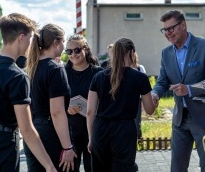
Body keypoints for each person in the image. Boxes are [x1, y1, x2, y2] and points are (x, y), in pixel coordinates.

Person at [151, 10, 205, 172]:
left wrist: (190, 89)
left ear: (183, 25)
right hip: (179, 119)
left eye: (171, 29)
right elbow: (162, 80)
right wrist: (155, 93)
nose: (167, 34)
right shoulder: (166, 53)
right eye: (164, 30)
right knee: (177, 168)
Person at [0, 13, 56, 172]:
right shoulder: (17, 76)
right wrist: (49, 165)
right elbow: (27, 129)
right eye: (30, 38)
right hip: (1, 145)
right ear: (21, 38)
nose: (31, 44)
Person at [87, 37, 158, 172]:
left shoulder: (98, 77)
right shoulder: (140, 78)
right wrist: (155, 101)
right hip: (124, 130)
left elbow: (90, 111)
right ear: (132, 53)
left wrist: (91, 138)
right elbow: (149, 110)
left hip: (100, 129)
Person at [24, 23, 77, 172]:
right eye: (63, 42)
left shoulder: (30, 68)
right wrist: (67, 147)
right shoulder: (55, 69)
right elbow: (57, 112)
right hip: (50, 131)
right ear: (56, 42)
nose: (64, 46)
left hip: (32, 128)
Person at [65, 34, 103, 172]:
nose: (73, 54)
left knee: (93, 168)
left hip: (93, 130)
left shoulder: (98, 73)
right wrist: (66, 107)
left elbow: (107, 100)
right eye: (69, 51)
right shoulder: (63, 72)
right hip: (70, 131)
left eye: (77, 50)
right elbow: (54, 101)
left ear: (85, 49)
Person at [131, 51, 146, 139]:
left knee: (137, 120)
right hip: (127, 99)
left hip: (138, 99)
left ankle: (137, 138)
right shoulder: (124, 68)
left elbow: (144, 84)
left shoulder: (140, 68)